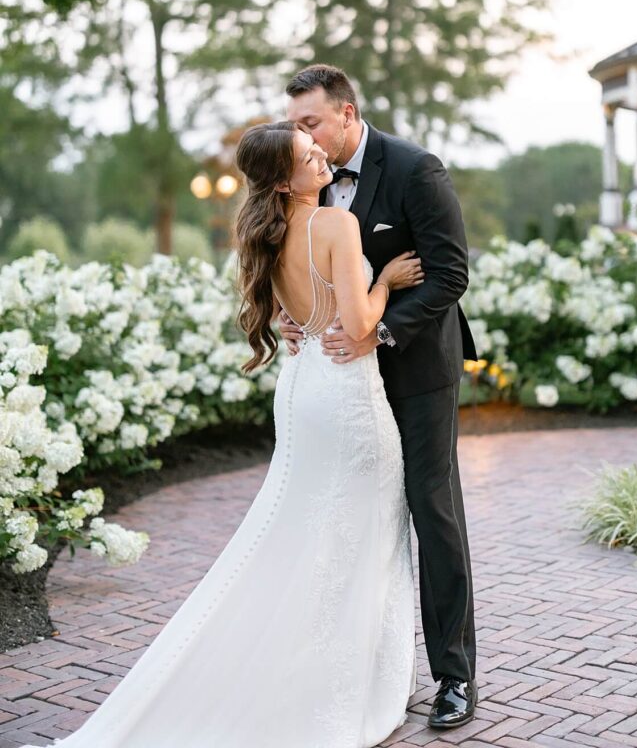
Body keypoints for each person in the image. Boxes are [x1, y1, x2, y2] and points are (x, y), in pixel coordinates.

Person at [18, 119, 424, 748]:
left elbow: (292, 316)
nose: (320, 156)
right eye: (306, 156)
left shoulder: (266, 235)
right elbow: (360, 325)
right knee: (365, 533)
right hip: (346, 395)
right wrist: (384, 281)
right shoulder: (336, 226)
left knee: (304, 531)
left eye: (316, 146)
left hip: (301, 385)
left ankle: (301, 666)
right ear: (284, 182)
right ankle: (343, 687)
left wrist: (313, 317)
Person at [281, 64, 479, 730]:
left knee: (431, 508)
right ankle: (365, 668)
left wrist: (381, 330)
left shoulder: (415, 168)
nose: (302, 137)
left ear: (346, 113)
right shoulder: (303, 185)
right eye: (294, 126)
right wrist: (299, 315)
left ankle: (453, 675)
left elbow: (450, 273)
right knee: (356, 514)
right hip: (345, 383)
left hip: (418, 369)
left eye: (310, 123)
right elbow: (307, 274)